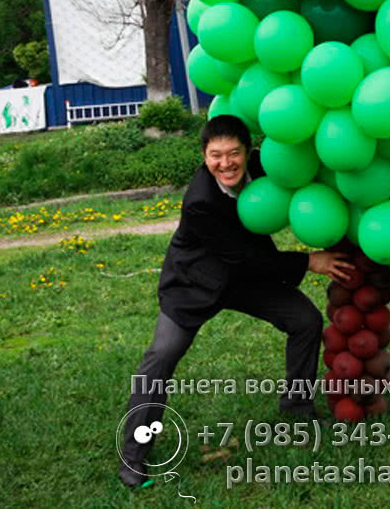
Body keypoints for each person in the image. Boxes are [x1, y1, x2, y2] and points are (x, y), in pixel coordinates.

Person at [119, 114, 354, 487]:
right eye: (215, 155)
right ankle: (132, 459)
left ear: (248, 152)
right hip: (194, 286)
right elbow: (245, 256)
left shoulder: (266, 167)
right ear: (203, 155)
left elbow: (303, 177)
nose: (225, 163)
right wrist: (309, 261)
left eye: (234, 153)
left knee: (305, 321)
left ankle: (297, 409)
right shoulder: (199, 201)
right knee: (160, 358)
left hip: (246, 280)